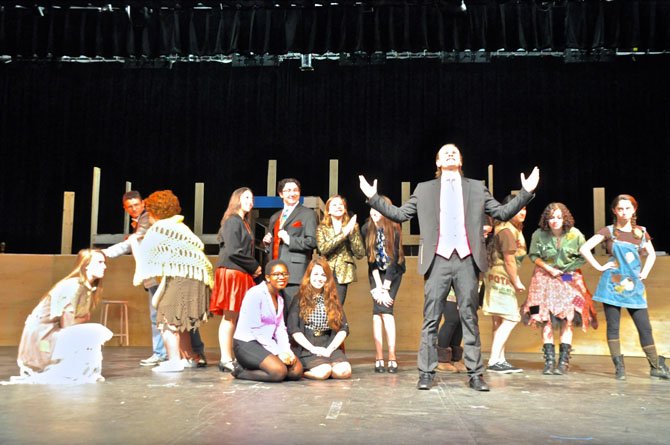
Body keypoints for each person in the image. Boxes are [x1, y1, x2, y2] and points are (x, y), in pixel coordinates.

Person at [359, 143, 539, 392]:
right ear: (438, 163)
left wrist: (525, 192)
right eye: (445, 153)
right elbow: (400, 214)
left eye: (454, 151)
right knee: (431, 318)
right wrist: (373, 198)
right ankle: (426, 372)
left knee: (469, 318)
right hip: (438, 260)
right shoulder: (424, 189)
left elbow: (501, 211)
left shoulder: (476, 187)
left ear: (461, 160)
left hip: (466, 260)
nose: (450, 154)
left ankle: (476, 374)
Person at [580, 194, 668, 380]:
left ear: (634, 209)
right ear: (614, 211)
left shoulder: (641, 232)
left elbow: (651, 254)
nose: (624, 212)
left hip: (634, 286)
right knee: (613, 326)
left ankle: (655, 366)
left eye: (628, 208)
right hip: (612, 285)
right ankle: (619, 368)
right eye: (620, 208)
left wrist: (645, 272)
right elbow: (584, 248)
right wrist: (599, 266)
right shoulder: (609, 231)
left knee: (644, 327)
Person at [131, 190, 213, 373]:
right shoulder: (180, 227)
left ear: (153, 212)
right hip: (198, 277)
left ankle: (174, 360)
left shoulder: (159, 229)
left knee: (166, 320)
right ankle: (189, 357)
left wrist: (134, 244)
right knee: (180, 321)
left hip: (182, 276)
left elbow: (145, 261)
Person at [12, 249, 112, 384]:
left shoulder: (85, 287)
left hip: (49, 334)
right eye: (100, 262)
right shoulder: (74, 286)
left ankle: (72, 369)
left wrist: (82, 318)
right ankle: (71, 369)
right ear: (86, 265)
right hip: (41, 339)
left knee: (88, 331)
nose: (104, 266)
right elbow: (68, 325)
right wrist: (84, 318)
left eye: (104, 262)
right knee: (96, 331)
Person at [522, 202, 597, 375]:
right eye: (551, 218)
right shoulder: (539, 234)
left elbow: (583, 256)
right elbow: (533, 255)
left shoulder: (575, 234)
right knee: (544, 317)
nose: (554, 221)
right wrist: (549, 269)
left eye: (558, 217)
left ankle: (563, 362)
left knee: (567, 318)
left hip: (566, 277)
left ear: (564, 218)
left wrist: (566, 270)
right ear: (546, 219)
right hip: (544, 277)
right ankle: (549, 361)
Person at [102, 190, 167, 367]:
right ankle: (173, 353)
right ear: (125, 208)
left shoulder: (146, 219)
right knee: (162, 315)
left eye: (136, 205)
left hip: (157, 273)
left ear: (143, 204)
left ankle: (162, 353)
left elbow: (130, 244)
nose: (134, 208)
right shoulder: (140, 221)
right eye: (130, 206)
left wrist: (104, 253)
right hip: (154, 273)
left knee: (158, 315)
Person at [210, 187, 262, 373]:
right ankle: (225, 358)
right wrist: (254, 266)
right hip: (232, 273)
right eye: (246, 197)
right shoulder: (233, 221)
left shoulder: (243, 222)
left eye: (252, 198)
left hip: (240, 272)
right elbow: (233, 251)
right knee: (230, 317)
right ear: (237, 199)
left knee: (236, 318)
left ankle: (231, 357)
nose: (250, 201)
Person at [232, 260, 304, 382]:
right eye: (277, 274)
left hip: (267, 343)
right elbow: (255, 330)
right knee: (278, 372)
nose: (281, 277)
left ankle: (269, 366)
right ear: (267, 277)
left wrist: (286, 350)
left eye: (285, 274)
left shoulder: (280, 298)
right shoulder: (255, 294)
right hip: (247, 343)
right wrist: (278, 353)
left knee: (296, 371)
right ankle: (241, 372)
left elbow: (280, 328)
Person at [360, 197, 406, 374]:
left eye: (378, 209)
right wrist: (376, 286)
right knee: (376, 313)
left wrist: (385, 288)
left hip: (393, 273)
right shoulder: (367, 229)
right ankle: (379, 356)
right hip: (376, 273)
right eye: (372, 209)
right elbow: (370, 261)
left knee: (386, 310)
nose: (374, 212)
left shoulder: (394, 228)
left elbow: (394, 262)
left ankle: (392, 356)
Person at [286, 258, 352, 379]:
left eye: (323, 275)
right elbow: (294, 329)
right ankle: (302, 373)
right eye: (315, 274)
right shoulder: (299, 298)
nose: (319, 278)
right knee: (323, 372)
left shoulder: (332, 298)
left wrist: (329, 349)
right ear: (309, 276)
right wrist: (312, 348)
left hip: (328, 343)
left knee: (344, 373)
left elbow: (344, 328)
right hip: (308, 345)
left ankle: (328, 366)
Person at [483, 196, 527, 373]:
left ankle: (500, 358)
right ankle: (494, 360)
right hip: (501, 278)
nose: (522, 212)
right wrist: (516, 281)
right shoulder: (507, 231)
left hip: (495, 277)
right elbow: (509, 261)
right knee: (511, 317)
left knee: (499, 319)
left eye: (524, 209)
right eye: (518, 209)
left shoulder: (505, 228)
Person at [262, 178, 317, 317]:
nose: (291, 193)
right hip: (275, 272)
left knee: (294, 315)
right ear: (281, 194)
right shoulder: (275, 217)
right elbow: (273, 244)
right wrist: (267, 243)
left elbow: (312, 242)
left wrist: (289, 240)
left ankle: (293, 339)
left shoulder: (308, 214)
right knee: (275, 313)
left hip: (295, 273)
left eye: (295, 190)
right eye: (287, 190)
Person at [316, 194, 365, 305]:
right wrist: (344, 233)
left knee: (337, 306)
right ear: (328, 210)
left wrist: (351, 233)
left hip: (343, 272)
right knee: (323, 305)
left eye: (341, 204)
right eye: (334, 205)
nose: (338, 207)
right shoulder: (322, 228)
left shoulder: (352, 226)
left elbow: (360, 253)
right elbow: (323, 248)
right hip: (324, 271)